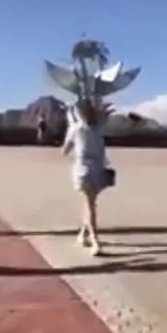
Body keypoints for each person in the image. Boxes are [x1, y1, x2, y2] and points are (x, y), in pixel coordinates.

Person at [62, 100, 110, 256]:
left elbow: (65, 151)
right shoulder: (94, 129)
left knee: (89, 204)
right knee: (90, 203)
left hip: (87, 170)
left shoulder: (79, 129)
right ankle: (86, 236)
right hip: (94, 169)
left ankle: (90, 238)